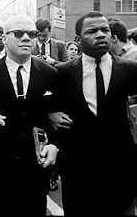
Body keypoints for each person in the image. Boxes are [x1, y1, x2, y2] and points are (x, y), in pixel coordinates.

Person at [50, 11, 137, 216]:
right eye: (92, 31)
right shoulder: (62, 73)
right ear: (78, 40)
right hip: (78, 169)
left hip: (121, 168)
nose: (101, 35)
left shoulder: (130, 70)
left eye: (105, 30)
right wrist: (49, 115)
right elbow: (48, 104)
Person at [0, 14, 59, 216]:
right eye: (18, 33)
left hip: (35, 170)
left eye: (31, 34)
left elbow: (56, 117)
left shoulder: (50, 74)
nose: (26, 38)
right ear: (4, 38)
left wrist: (54, 144)